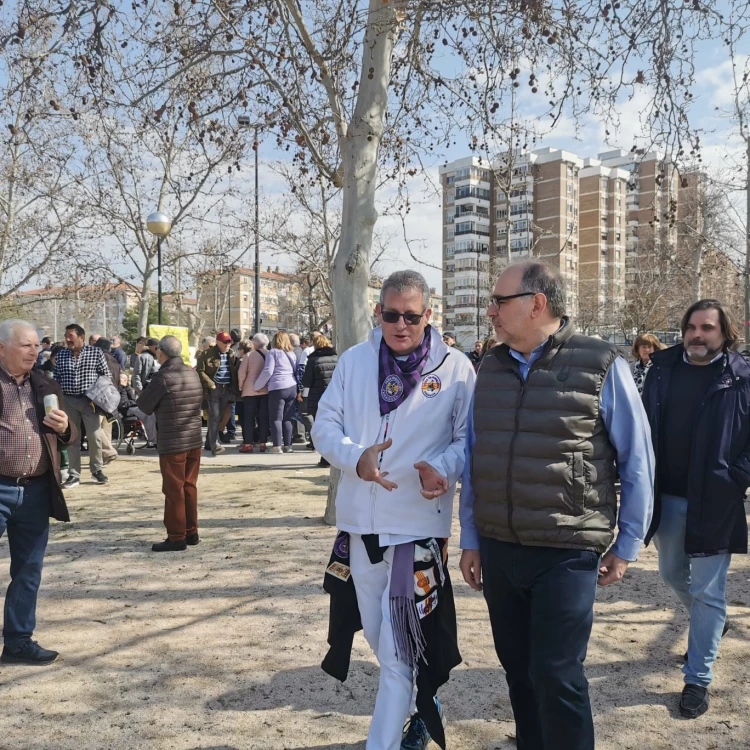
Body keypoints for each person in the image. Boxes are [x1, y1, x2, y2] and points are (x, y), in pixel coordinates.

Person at [459, 261, 655, 750]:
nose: (491, 313)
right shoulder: (491, 367)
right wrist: (471, 538)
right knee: (519, 671)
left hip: (566, 548)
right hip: (501, 547)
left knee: (557, 673)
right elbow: (474, 457)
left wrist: (627, 543)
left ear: (536, 304)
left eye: (499, 302)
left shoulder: (602, 363)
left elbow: (637, 459)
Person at [313, 270, 476, 750]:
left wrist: (442, 468)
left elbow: (468, 439)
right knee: (380, 640)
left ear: (429, 315)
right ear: (377, 313)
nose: (400, 325)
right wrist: (353, 458)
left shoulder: (456, 368)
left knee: (399, 656)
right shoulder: (354, 361)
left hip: (415, 530)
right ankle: (426, 703)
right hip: (359, 527)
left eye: (411, 315)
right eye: (391, 314)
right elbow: (326, 425)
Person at [641, 299, 750, 719]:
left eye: (707, 328)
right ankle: (712, 622)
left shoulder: (741, 376)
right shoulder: (663, 367)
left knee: (708, 590)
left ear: (724, 334)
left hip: (716, 499)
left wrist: (735, 475)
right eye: (691, 327)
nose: (697, 335)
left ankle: (697, 677)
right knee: (670, 573)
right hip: (666, 495)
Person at [0, 320, 76, 665]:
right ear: (2, 348)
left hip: (35, 492)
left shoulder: (45, 384)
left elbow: (71, 437)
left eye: (36, 346)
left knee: (28, 570)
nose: (35, 351)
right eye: (25, 345)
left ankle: (18, 641)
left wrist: (66, 429)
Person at [136, 336, 204, 552]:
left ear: (160, 353)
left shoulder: (162, 377)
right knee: (189, 486)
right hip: (193, 438)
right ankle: (191, 532)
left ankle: (176, 536)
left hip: (173, 439)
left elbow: (144, 406)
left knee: (174, 489)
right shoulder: (192, 374)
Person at [53, 323, 112, 488]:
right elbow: (56, 378)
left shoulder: (95, 352)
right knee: (72, 439)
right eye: (66, 336)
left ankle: (97, 470)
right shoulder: (62, 355)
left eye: (70, 336)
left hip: (89, 401)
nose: (67, 339)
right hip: (68, 401)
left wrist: (97, 395)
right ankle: (73, 475)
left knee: (94, 437)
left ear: (81, 337)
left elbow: (106, 376)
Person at [255, 331, 298, 454]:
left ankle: (277, 446)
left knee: (276, 418)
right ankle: (288, 446)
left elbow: (268, 371)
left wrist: (257, 385)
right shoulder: (292, 353)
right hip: (292, 386)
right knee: (287, 419)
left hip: (277, 387)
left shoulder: (273, 352)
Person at [197, 331, 240, 456]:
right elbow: (200, 371)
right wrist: (211, 384)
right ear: (218, 342)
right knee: (214, 417)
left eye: (229, 342)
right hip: (214, 389)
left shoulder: (231, 354)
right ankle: (215, 444)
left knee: (218, 417)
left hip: (227, 388)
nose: (228, 344)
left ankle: (209, 443)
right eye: (225, 342)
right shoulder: (206, 354)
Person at [300, 332, 338, 467]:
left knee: (323, 428)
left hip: (318, 398)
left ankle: (325, 458)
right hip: (336, 397)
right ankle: (334, 456)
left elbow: (307, 381)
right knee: (336, 427)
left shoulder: (313, 360)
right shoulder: (337, 358)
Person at [237, 333, 269, 453]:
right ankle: (263, 443)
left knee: (249, 418)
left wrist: (241, 386)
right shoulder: (270, 354)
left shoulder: (249, 355)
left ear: (255, 343)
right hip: (265, 390)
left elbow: (241, 373)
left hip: (249, 390)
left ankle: (248, 444)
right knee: (263, 418)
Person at [93, 338, 121, 465]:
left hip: (99, 397)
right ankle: (106, 457)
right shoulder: (114, 360)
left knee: (95, 427)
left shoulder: (98, 358)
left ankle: (108, 452)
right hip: (112, 396)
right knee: (106, 426)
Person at [132, 337, 160, 447]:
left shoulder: (158, 357)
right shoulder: (142, 357)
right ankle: (153, 440)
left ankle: (156, 439)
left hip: (157, 392)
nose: (158, 349)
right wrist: (140, 390)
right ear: (151, 347)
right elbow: (136, 375)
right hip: (146, 392)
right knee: (150, 417)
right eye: (157, 347)